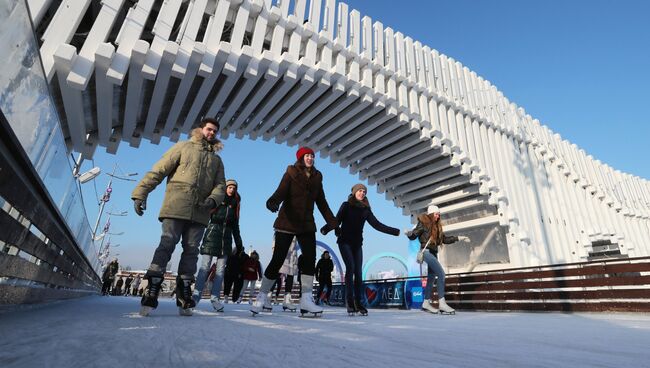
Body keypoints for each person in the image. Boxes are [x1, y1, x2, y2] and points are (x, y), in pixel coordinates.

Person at [131, 117, 226, 316]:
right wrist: (141, 192)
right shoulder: (183, 147)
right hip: (176, 206)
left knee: (191, 251)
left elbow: (220, 186)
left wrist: (213, 200)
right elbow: (160, 169)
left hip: (200, 212)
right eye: (209, 129)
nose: (211, 133)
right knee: (167, 244)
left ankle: (184, 294)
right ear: (201, 129)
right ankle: (152, 289)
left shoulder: (216, 160)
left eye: (214, 131)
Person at [251, 147, 338, 317]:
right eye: (307, 156)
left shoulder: (317, 177)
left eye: (312, 156)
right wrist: (273, 201)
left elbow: (322, 202)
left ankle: (306, 300)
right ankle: (261, 296)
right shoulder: (291, 173)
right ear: (301, 158)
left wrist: (334, 223)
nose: (310, 158)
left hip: (306, 224)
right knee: (278, 259)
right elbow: (281, 191)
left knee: (310, 258)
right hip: (287, 221)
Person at [321, 183, 400, 316]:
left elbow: (377, 225)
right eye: (359, 191)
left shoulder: (366, 210)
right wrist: (326, 228)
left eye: (364, 191)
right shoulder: (346, 205)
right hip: (344, 242)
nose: (362, 193)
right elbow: (337, 220)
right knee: (350, 267)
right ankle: (350, 302)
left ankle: (359, 302)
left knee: (358, 272)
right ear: (354, 192)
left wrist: (394, 231)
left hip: (357, 244)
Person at [405, 205, 468, 314]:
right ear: (431, 214)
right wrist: (409, 234)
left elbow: (444, 240)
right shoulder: (423, 223)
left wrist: (458, 238)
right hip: (426, 252)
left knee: (431, 278)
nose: (438, 216)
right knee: (441, 274)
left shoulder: (438, 227)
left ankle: (425, 302)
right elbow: (414, 234)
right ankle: (442, 303)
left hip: (434, 253)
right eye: (436, 214)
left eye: (439, 214)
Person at [192, 179, 243, 312]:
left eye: (234, 187)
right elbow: (205, 214)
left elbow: (236, 226)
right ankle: (195, 297)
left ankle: (215, 299)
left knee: (220, 271)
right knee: (205, 267)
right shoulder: (217, 200)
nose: (231, 189)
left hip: (226, 240)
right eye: (229, 187)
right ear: (225, 188)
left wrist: (239, 244)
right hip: (212, 235)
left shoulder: (236, 204)